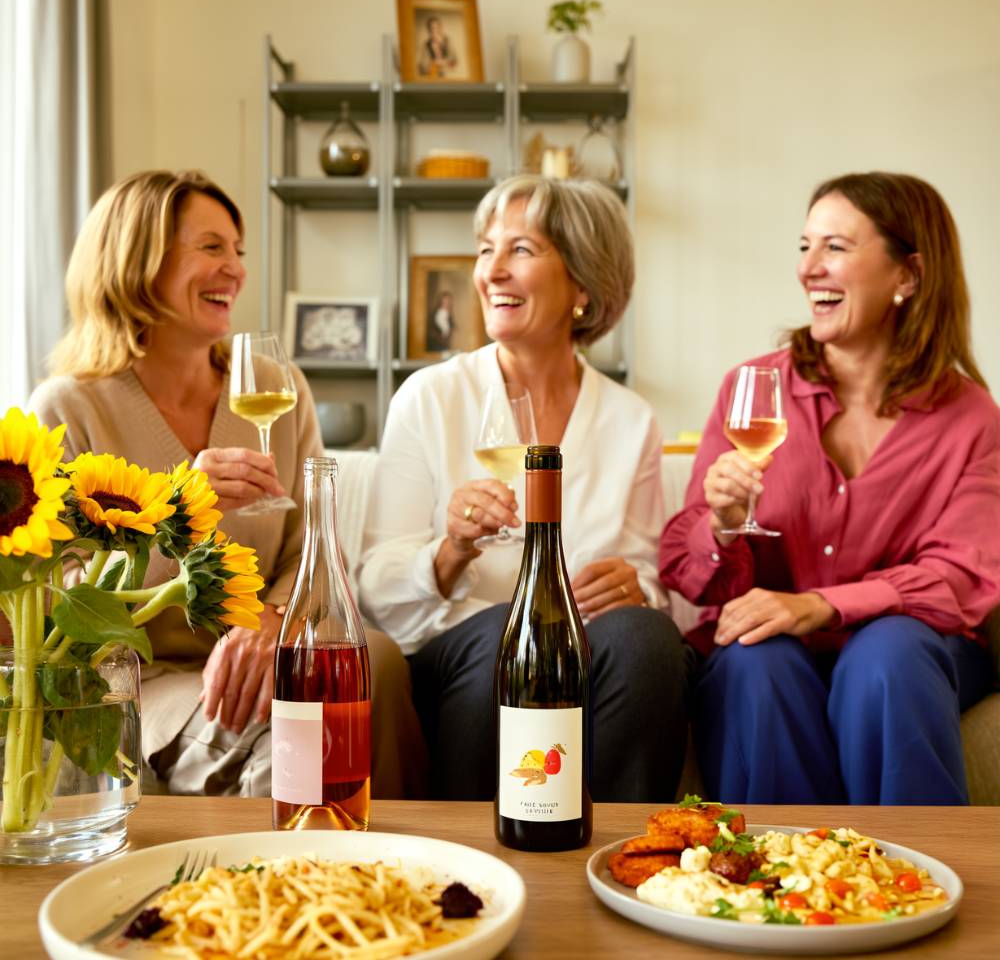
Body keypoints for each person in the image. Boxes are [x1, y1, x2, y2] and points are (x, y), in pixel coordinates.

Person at [29, 169, 427, 798]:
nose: (236, 270)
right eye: (212, 247)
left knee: (372, 656)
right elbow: (65, 602)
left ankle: (390, 869)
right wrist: (175, 513)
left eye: (238, 252)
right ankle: (290, 888)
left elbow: (311, 545)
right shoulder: (69, 409)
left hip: (276, 642)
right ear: (138, 259)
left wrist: (273, 623)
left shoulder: (275, 385)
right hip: (149, 678)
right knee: (297, 726)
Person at [659, 171, 1000, 805]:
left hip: (910, 655)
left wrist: (823, 604)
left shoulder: (972, 417)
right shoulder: (752, 390)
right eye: (804, 246)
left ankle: (909, 883)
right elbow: (688, 567)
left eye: (835, 248)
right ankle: (776, 884)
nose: (808, 268)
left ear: (909, 275)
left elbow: (963, 579)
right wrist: (724, 521)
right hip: (772, 649)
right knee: (754, 657)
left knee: (888, 653)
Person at [358, 175, 689, 801]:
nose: (491, 272)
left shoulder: (630, 420)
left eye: (521, 250)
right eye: (486, 250)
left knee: (646, 640)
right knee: (507, 631)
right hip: (459, 665)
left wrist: (637, 590)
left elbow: (654, 584)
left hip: (584, 661)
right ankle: (477, 867)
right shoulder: (431, 398)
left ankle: (624, 858)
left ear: (583, 287)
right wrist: (450, 549)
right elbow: (374, 591)